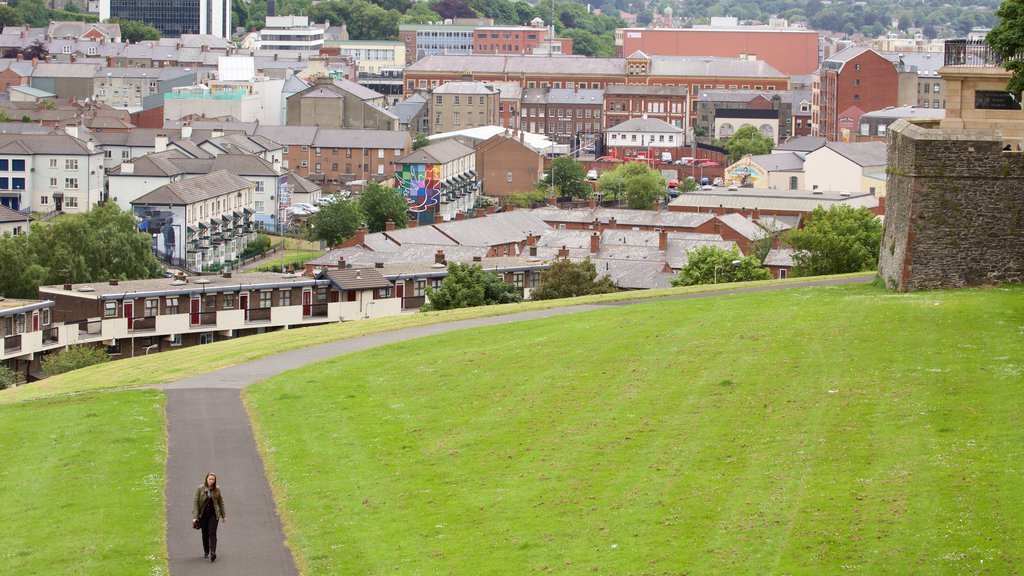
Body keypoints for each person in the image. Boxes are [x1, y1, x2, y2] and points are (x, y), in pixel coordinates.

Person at [192, 473, 226, 562]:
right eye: (210, 479)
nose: (211, 481)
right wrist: (195, 516)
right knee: (205, 533)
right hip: (203, 515)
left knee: (212, 533)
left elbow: (220, 502)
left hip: (214, 514)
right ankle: (206, 551)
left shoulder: (217, 489)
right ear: (206, 479)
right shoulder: (200, 488)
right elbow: (195, 502)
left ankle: (213, 552)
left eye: (213, 479)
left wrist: (223, 515)